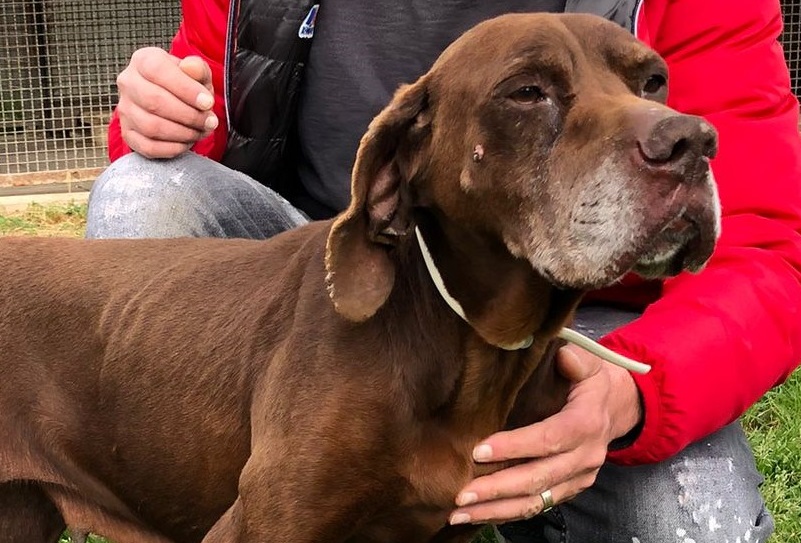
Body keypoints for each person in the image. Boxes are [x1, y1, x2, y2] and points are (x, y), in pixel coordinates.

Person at [86, 0, 801, 541]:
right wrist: (160, 113)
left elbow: (770, 251)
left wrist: (635, 393)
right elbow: (199, 114)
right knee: (142, 191)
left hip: (580, 323)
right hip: (334, 278)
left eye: (650, 84)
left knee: (694, 523)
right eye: (529, 92)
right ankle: (231, 491)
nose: (677, 128)